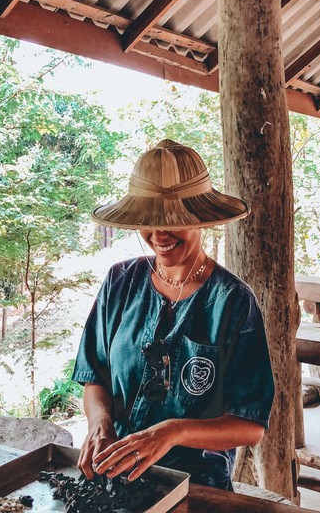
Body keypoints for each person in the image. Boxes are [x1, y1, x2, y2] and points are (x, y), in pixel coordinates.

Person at [72, 139, 274, 492]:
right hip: (114, 474)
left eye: (173, 221)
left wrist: (172, 431)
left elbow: (250, 425)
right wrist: (100, 423)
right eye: (148, 222)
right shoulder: (121, 282)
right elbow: (95, 377)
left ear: (202, 221)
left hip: (198, 486)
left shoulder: (233, 301)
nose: (159, 234)